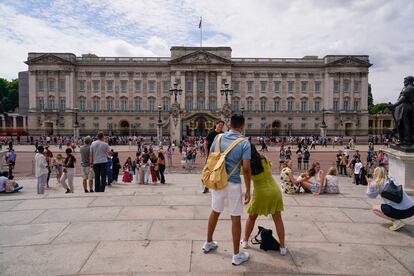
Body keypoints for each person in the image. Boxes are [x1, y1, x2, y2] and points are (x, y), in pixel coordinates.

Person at [202, 114, 251, 266]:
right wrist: (248, 190)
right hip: (233, 183)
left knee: (215, 211)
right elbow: (247, 169)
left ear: (229, 124)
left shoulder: (218, 138)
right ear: (242, 126)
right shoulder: (244, 143)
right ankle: (236, 255)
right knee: (235, 216)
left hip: (217, 180)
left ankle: (208, 242)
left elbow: (211, 157)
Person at [241, 144, 287, 255]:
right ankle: (282, 247)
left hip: (260, 192)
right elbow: (268, 168)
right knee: (278, 219)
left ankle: (245, 241)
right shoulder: (264, 158)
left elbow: (243, 173)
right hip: (274, 190)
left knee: (251, 217)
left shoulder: (246, 166)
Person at [366, 167, 414, 231]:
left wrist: (369, 184)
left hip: (402, 212)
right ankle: (393, 218)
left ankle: (396, 221)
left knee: (374, 208)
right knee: (388, 204)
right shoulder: (391, 179)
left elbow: (371, 196)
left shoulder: (376, 183)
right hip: (411, 208)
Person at [203, 120, 225, 193]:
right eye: (219, 125)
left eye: (222, 125)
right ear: (216, 125)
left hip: (220, 156)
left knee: (219, 170)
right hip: (211, 155)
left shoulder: (223, 134)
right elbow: (205, 144)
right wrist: (207, 154)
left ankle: (218, 185)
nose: (220, 126)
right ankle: (207, 186)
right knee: (209, 171)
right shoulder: (211, 134)